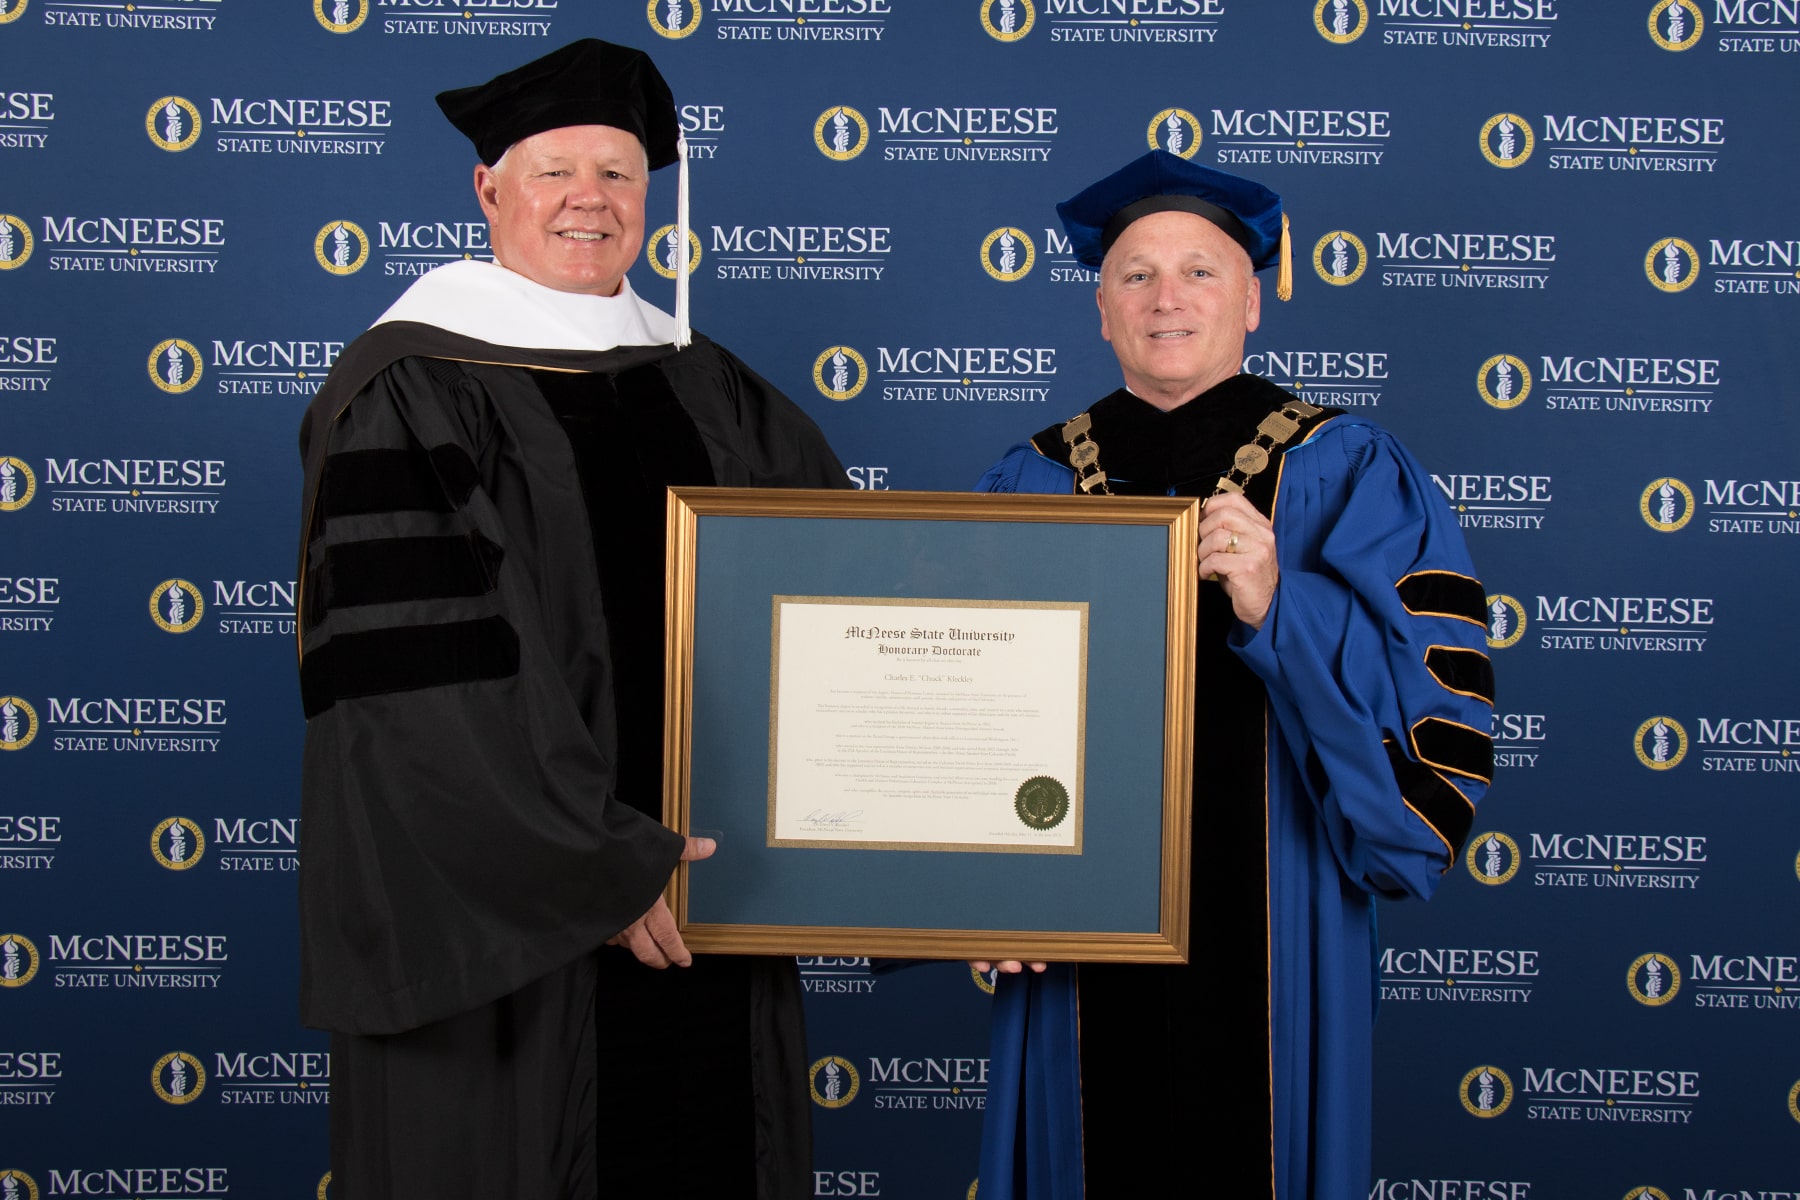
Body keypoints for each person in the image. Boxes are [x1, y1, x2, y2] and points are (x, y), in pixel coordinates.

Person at [294, 39, 842, 1199]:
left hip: (711, 908)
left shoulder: (712, 386)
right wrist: (591, 868)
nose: (590, 198)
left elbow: (846, 604)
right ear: (487, 187)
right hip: (517, 939)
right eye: (555, 170)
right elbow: (422, 688)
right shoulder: (409, 385)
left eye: (621, 171)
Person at [971, 151, 1494, 1199]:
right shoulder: (1029, 479)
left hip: (1279, 910)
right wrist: (978, 892)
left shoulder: (1349, 467)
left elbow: (1431, 714)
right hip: (1072, 939)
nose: (1168, 298)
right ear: (1101, 312)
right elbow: (967, 712)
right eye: (1135, 275)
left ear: (1255, 298)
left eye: (1201, 272)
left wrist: (1276, 603)